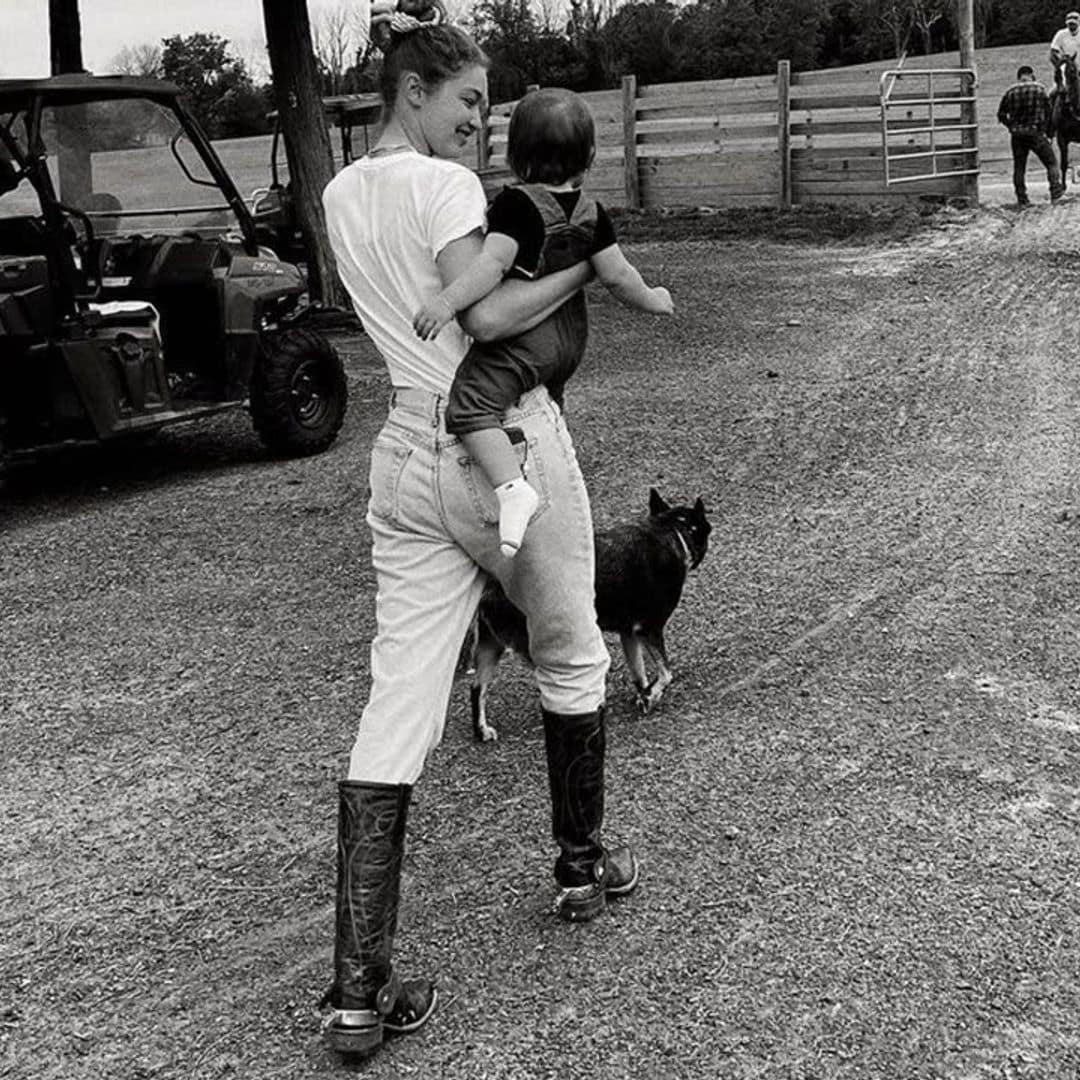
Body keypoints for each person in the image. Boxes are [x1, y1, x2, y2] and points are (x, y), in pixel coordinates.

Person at [319, 14, 640, 1061]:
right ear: (413, 90)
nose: (479, 123)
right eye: (467, 102)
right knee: (573, 649)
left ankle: (358, 988)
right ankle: (580, 865)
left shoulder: (338, 192)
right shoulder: (446, 188)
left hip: (405, 455)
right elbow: (493, 322)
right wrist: (590, 262)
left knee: (397, 697)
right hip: (503, 438)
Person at [411, 88, 673, 558]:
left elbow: (490, 267)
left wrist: (446, 302)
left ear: (514, 156)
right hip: (570, 343)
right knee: (543, 405)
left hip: (525, 342)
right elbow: (617, 276)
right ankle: (547, 463)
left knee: (470, 407)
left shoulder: (516, 206)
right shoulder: (594, 214)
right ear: (590, 155)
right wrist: (654, 299)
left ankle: (512, 488)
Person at [998, 65, 1065, 207]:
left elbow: (1001, 114)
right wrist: (1048, 132)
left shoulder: (1010, 92)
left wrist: (1011, 126)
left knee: (1019, 167)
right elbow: (1049, 112)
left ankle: (1022, 199)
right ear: (1032, 75)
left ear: (1019, 77)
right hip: (1035, 133)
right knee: (1051, 163)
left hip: (1017, 135)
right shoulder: (1039, 89)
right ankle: (1055, 193)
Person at [1051, 11, 1080, 87]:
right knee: (1054, 92)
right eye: (1069, 24)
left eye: (1073, 24)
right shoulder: (1061, 34)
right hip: (1066, 69)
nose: (1071, 26)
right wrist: (1059, 64)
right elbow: (1053, 51)